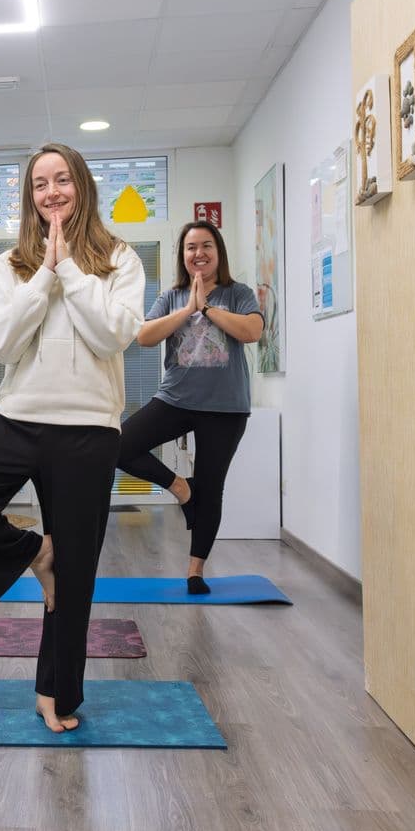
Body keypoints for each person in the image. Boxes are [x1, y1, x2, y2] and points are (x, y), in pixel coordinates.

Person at [0, 143, 144, 733]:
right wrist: (44, 272)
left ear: (81, 186)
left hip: (89, 426)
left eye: (62, 180)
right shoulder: (11, 264)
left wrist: (70, 268)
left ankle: (55, 691)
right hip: (19, 419)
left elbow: (113, 335)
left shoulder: (120, 258)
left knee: (79, 573)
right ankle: (32, 553)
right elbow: (2, 344)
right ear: (29, 197)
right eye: (40, 184)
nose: (52, 193)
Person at [116, 219, 262, 594]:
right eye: (191, 247)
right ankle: (182, 488)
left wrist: (208, 308)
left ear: (218, 252)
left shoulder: (238, 293)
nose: (199, 253)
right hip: (175, 399)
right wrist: (187, 309)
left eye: (206, 246)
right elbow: (145, 336)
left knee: (212, 487)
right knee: (117, 445)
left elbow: (252, 331)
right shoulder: (171, 296)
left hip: (226, 406)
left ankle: (195, 572)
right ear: (183, 256)